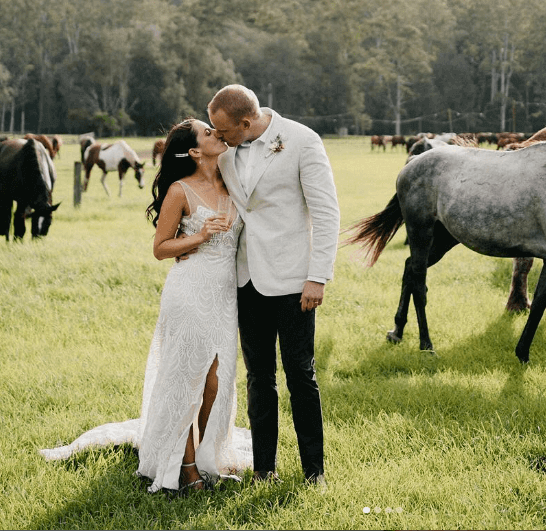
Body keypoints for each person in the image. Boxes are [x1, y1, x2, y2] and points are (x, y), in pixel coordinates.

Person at [40, 119, 253, 494]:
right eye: (208, 133)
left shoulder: (233, 182)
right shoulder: (180, 190)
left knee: (215, 384)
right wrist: (201, 235)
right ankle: (186, 470)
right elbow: (160, 249)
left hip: (225, 298)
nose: (217, 134)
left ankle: (208, 459)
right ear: (194, 151)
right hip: (189, 292)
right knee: (187, 379)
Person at [207, 84, 340, 487]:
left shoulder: (301, 141)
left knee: (301, 374)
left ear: (246, 122)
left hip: (293, 280)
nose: (218, 137)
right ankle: (264, 469)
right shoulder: (226, 148)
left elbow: (326, 211)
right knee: (258, 377)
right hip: (245, 278)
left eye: (224, 130)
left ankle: (313, 472)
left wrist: (317, 277)